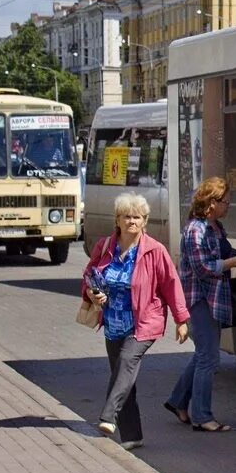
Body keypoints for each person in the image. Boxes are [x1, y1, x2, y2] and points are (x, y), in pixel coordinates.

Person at [81, 192, 190, 451]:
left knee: (127, 363)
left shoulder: (155, 251)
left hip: (144, 322)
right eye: (126, 217)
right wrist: (92, 292)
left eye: (137, 217)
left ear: (145, 222)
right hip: (113, 322)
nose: (132, 221)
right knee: (123, 375)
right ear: (117, 220)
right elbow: (89, 274)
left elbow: (171, 285)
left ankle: (108, 415)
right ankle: (132, 436)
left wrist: (181, 319)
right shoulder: (105, 247)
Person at [166, 177, 236, 433]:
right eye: (225, 202)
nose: (228, 206)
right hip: (199, 299)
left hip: (212, 299)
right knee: (208, 358)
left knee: (205, 354)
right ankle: (202, 417)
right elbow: (202, 268)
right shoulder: (196, 230)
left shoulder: (215, 227)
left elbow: (222, 251)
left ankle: (178, 401)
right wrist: (231, 263)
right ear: (211, 203)